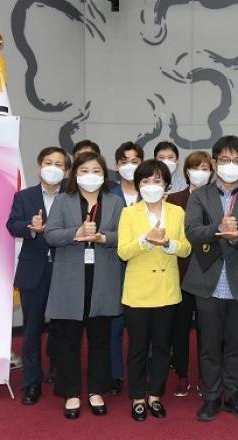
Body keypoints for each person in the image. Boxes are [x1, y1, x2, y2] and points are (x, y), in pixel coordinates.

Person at [182, 135, 238, 422]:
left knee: (235, 343)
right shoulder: (200, 195)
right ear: (215, 162)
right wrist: (218, 230)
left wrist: (237, 238)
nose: (231, 165)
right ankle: (211, 397)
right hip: (206, 281)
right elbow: (192, 232)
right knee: (209, 345)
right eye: (226, 160)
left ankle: (232, 395)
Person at [44, 152, 124, 419]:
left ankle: (96, 390)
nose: (91, 175)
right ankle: (71, 392)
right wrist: (75, 233)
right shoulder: (63, 200)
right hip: (70, 279)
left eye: (96, 171)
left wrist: (104, 238)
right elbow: (51, 235)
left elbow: (123, 236)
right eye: (84, 170)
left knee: (100, 339)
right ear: (75, 173)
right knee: (68, 340)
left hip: (103, 278)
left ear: (104, 174)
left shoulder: (115, 202)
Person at [117, 159, 192, 421]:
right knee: (138, 347)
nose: (151, 185)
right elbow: (123, 252)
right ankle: (138, 397)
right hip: (138, 293)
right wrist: (146, 240)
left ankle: (155, 396)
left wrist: (169, 243)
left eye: (157, 180)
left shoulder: (177, 212)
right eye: (146, 181)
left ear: (166, 185)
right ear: (138, 185)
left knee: (162, 347)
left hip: (167, 290)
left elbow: (186, 248)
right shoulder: (129, 213)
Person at [6, 146, 70, 405]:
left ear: (66, 170)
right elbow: (12, 224)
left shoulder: (72, 196)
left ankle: (59, 371)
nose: (53, 168)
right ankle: (31, 382)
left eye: (59, 164)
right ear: (39, 166)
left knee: (62, 327)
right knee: (32, 329)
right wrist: (30, 227)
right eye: (48, 162)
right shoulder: (24, 196)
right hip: (33, 270)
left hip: (65, 269)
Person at [166, 150, 214, 397]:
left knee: (209, 329)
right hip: (181, 271)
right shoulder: (174, 199)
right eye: (196, 167)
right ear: (186, 171)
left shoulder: (219, 198)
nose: (200, 172)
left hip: (210, 270)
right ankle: (182, 374)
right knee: (180, 327)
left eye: (205, 168)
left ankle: (207, 377)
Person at [108, 141, 145, 396]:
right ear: (116, 165)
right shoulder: (108, 193)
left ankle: (144, 374)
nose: (129, 166)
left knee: (143, 329)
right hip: (113, 268)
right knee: (114, 326)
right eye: (124, 162)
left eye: (135, 161)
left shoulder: (152, 192)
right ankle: (115, 374)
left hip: (145, 269)